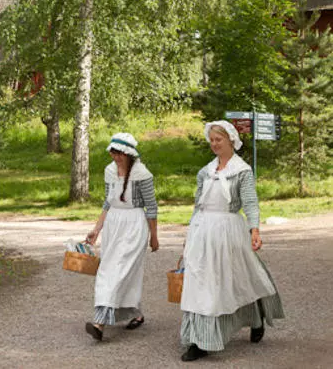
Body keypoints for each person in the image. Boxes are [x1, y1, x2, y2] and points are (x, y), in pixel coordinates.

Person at [180, 121, 285, 361]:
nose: (214, 144)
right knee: (202, 283)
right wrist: (190, 235)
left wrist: (254, 230)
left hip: (228, 231)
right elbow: (198, 205)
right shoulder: (205, 172)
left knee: (237, 280)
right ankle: (200, 341)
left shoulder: (242, 171)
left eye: (219, 140)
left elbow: (250, 202)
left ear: (231, 141)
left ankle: (255, 317)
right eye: (212, 140)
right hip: (203, 231)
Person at [84, 132, 159, 341]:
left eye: (120, 154)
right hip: (113, 224)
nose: (116, 158)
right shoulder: (109, 171)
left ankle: (99, 322)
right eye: (113, 153)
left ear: (129, 154)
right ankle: (135, 313)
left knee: (117, 271)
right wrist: (96, 229)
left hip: (134, 224)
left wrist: (154, 236)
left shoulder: (142, 174)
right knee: (117, 270)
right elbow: (108, 203)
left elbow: (151, 207)